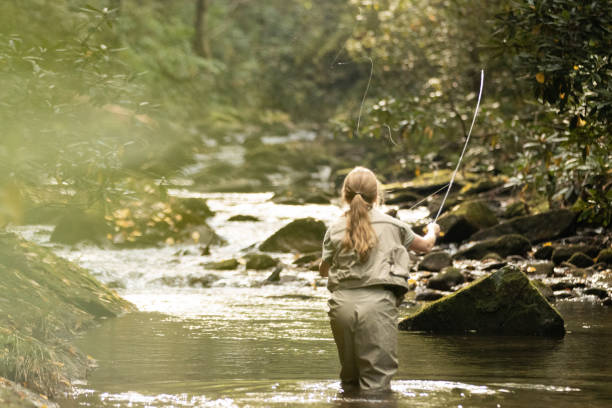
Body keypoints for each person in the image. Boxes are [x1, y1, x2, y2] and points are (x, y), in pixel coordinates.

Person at [319, 166, 440, 392]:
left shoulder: (334, 228)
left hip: (341, 308)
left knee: (349, 383)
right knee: (376, 386)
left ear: (344, 195)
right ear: (376, 196)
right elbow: (425, 246)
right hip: (378, 307)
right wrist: (433, 230)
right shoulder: (394, 226)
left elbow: (324, 271)